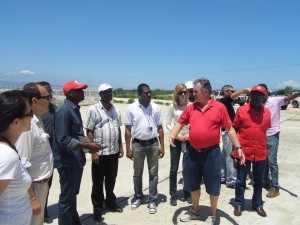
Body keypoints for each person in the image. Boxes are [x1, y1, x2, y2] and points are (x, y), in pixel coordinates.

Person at [169, 78, 244, 225]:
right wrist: (173, 134)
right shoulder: (191, 107)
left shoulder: (219, 107)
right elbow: (180, 122)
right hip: (192, 152)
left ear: (206, 92)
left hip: (212, 153)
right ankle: (195, 211)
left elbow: (229, 129)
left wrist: (238, 147)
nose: (193, 94)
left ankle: (213, 215)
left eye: (195, 91)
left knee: (213, 185)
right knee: (193, 183)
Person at [53, 80, 103, 225]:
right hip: (67, 162)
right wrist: (87, 145)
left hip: (75, 160)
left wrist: (88, 146)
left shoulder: (73, 109)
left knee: (72, 196)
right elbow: (63, 140)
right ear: (69, 93)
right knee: (66, 199)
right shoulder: (64, 111)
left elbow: (76, 135)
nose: (83, 92)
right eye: (79, 90)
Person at [15, 83, 54, 225]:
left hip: (41, 185)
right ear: (35, 101)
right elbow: (20, 166)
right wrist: (32, 198)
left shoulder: (37, 121)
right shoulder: (28, 127)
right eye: (48, 97)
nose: (51, 100)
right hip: (33, 188)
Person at [85, 83, 124, 222]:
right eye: (106, 92)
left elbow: (118, 129)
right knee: (97, 182)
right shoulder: (93, 109)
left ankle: (110, 202)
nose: (109, 94)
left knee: (111, 180)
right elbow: (89, 130)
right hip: (100, 154)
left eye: (110, 92)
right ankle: (97, 208)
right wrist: (93, 151)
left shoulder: (116, 109)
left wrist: (121, 146)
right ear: (100, 94)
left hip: (113, 152)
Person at [125, 83, 164, 214]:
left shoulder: (156, 108)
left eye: (150, 92)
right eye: (146, 92)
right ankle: (138, 197)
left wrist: (162, 146)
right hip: (137, 144)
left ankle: (152, 200)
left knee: (153, 174)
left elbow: (160, 128)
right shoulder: (131, 108)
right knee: (137, 173)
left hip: (153, 144)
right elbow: (128, 129)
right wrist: (128, 148)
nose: (149, 94)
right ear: (139, 93)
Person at [232, 85, 271, 217]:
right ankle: (238, 203)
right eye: (254, 94)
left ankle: (257, 204)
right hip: (244, 151)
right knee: (240, 180)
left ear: (264, 97)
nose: (256, 97)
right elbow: (234, 130)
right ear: (250, 96)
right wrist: (235, 151)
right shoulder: (241, 110)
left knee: (259, 181)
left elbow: (265, 131)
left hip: (260, 152)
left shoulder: (267, 113)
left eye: (259, 95)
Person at [258, 83, 300, 198]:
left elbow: (288, 98)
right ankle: (265, 182)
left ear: (266, 92)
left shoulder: (275, 100)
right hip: (261, 135)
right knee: (264, 160)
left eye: (262, 93)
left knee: (272, 161)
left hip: (272, 135)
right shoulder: (258, 103)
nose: (260, 95)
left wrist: (299, 93)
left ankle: (275, 187)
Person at [0, 90, 32, 225]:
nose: (33, 117)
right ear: (16, 122)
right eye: (30, 114)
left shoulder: (8, 149)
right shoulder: (7, 156)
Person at [219, 85, 250, 188]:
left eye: (233, 90)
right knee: (230, 156)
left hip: (227, 132)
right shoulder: (224, 101)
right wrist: (244, 90)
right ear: (224, 92)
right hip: (228, 132)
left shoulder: (227, 103)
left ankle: (222, 176)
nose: (232, 92)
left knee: (224, 155)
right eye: (229, 91)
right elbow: (232, 96)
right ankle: (231, 179)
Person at [166, 83, 191, 206]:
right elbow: (168, 123)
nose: (183, 94)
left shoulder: (191, 106)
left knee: (187, 168)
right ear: (176, 93)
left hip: (188, 140)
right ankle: (173, 194)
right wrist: (175, 134)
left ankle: (187, 192)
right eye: (180, 92)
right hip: (176, 139)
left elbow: (195, 122)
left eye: (185, 92)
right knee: (174, 168)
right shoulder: (173, 107)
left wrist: (189, 134)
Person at [38, 81, 57, 224]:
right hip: (37, 156)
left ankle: (43, 211)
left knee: (46, 185)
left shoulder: (54, 108)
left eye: (50, 91)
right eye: (46, 92)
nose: (49, 93)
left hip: (51, 155)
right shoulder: (34, 113)